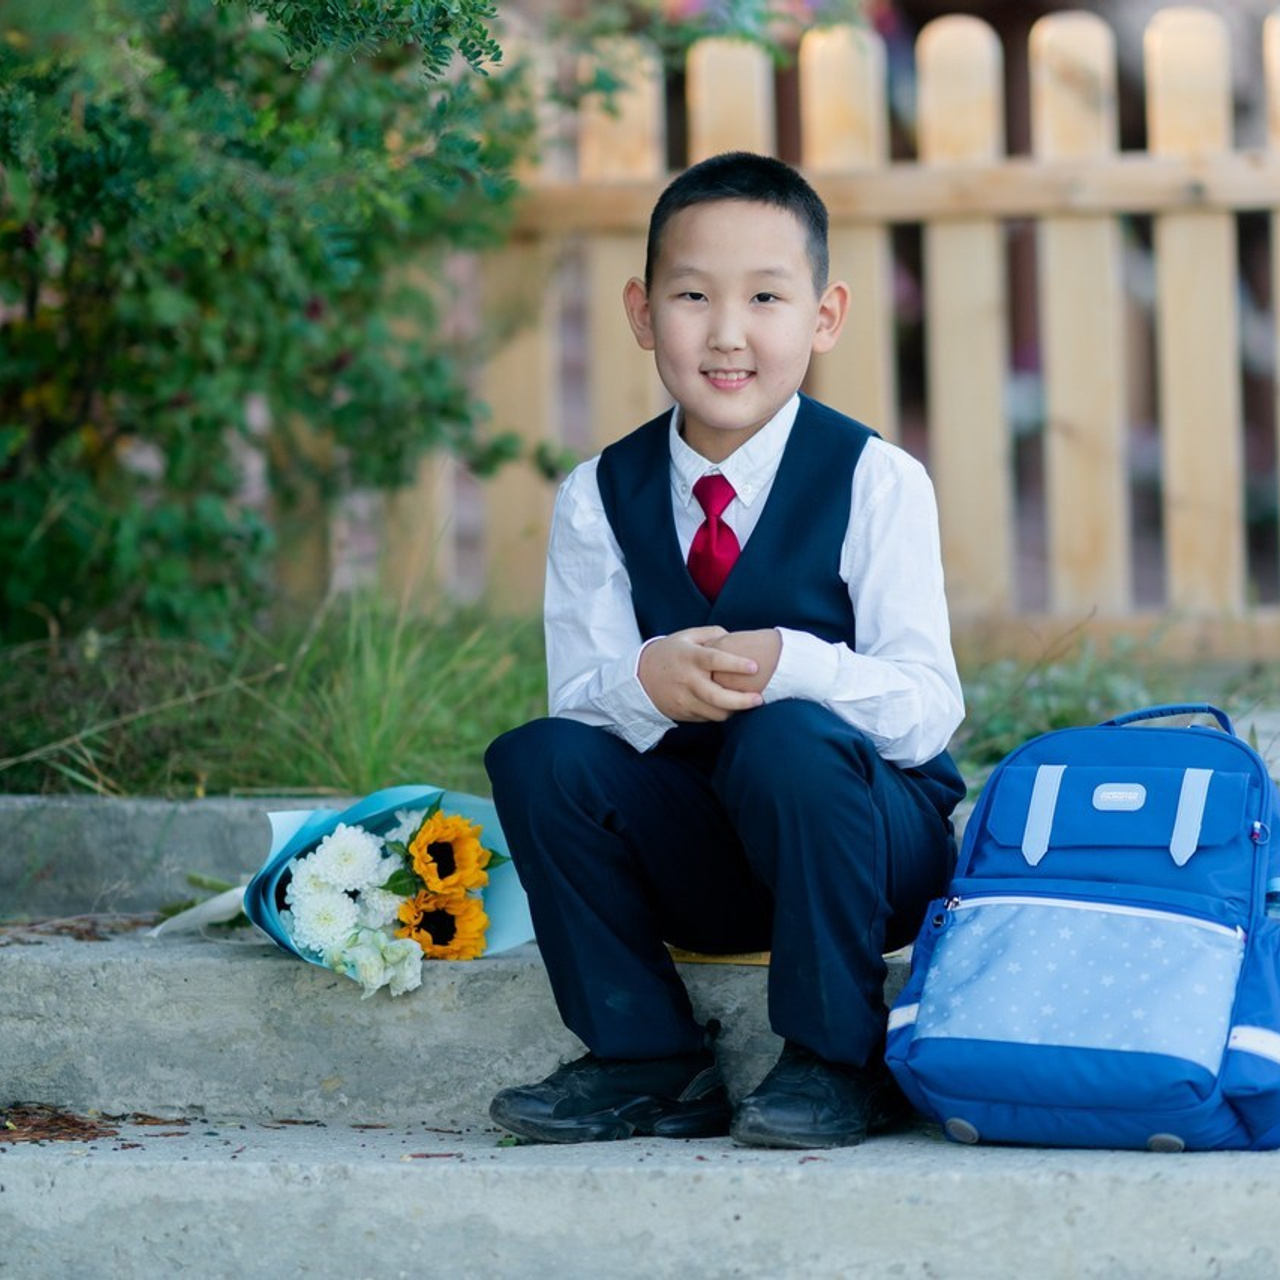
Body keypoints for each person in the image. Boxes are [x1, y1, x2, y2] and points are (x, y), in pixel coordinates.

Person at [484, 150, 965, 1150]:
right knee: (536, 754)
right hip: (702, 850)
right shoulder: (597, 493)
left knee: (785, 737)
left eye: (765, 297)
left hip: (865, 842)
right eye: (692, 295)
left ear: (823, 316)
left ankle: (836, 1060)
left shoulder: (874, 479)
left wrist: (794, 662)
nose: (727, 332)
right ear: (641, 311)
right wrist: (643, 683)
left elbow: (926, 708)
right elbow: (581, 703)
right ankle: (646, 1057)